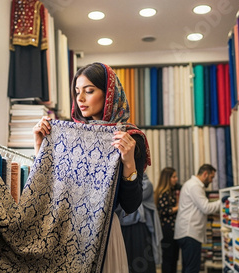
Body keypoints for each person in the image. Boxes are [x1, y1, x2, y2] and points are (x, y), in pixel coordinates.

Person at [33, 62, 151, 273]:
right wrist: (40, 146)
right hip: (65, 230)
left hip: (103, 233)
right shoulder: (69, 137)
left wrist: (129, 161)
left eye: (89, 91)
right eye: (77, 92)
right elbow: (49, 188)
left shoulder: (129, 138)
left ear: (109, 95)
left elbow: (131, 205)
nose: (80, 99)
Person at [174, 164, 221, 273]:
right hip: (190, 233)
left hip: (186, 232)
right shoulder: (195, 186)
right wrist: (221, 202)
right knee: (192, 269)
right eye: (211, 177)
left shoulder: (190, 184)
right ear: (205, 174)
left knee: (187, 267)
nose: (211, 181)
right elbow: (206, 208)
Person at [116, 172, 163, 273]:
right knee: (126, 258)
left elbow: (132, 198)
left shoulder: (146, 184)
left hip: (140, 227)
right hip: (124, 226)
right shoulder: (119, 183)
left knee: (141, 257)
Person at [154, 167, 180, 273]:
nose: (176, 179)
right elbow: (164, 211)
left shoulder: (171, 191)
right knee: (169, 258)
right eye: (173, 177)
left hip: (173, 229)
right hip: (167, 230)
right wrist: (178, 207)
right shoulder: (163, 193)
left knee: (174, 258)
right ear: (167, 178)